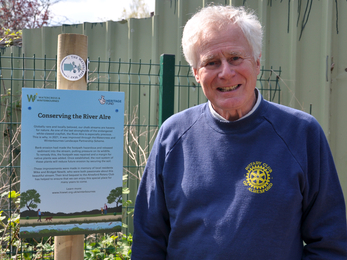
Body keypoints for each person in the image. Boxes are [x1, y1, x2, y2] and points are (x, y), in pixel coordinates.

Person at [132, 5, 347, 259]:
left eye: (235, 58)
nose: (225, 72)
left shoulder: (302, 133)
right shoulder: (173, 135)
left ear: (257, 63)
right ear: (196, 74)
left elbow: (329, 241)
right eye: (211, 62)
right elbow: (148, 239)